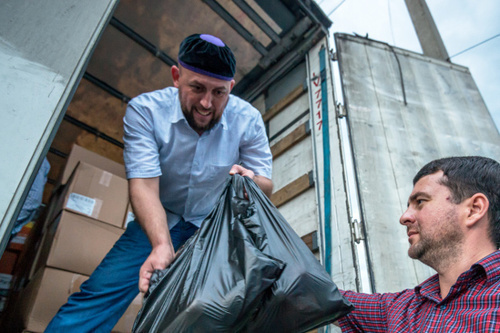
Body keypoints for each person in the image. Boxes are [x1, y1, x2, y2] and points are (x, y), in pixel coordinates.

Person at [46, 33, 273, 332]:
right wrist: (161, 244)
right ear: (177, 77)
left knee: (207, 314)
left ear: (231, 87)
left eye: (219, 93)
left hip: (210, 227)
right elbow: (143, 184)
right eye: (197, 88)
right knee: (99, 296)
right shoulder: (145, 111)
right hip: (159, 217)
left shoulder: (249, 119)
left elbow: (266, 184)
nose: (207, 103)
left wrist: (251, 181)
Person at [337, 156, 500, 332]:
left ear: (474, 209)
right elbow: (322, 297)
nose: (404, 217)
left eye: (420, 201)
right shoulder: (402, 309)